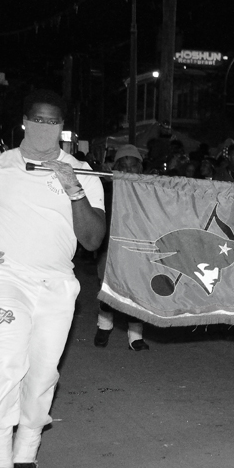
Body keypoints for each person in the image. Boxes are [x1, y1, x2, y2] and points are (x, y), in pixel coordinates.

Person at [0, 89, 106, 468]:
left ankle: (26, 456)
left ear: (64, 128)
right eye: (38, 121)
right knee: (6, 361)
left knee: (43, 371)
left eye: (53, 122)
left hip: (57, 284)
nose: (45, 128)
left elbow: (93, 240)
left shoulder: (83, 172)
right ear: (24, 122)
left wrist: (75, 189)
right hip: (6, 278)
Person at [94, 145, 149, 351]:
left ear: (140, 168)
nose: (128, 170)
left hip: (138, 247)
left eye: (133, 166)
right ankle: (104, 325)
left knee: (136, 292)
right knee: (109, 292)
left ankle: (135, 336)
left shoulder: (150, 190)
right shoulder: (105, 188)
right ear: (115, 167)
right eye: (123, 166)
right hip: (109, 246)